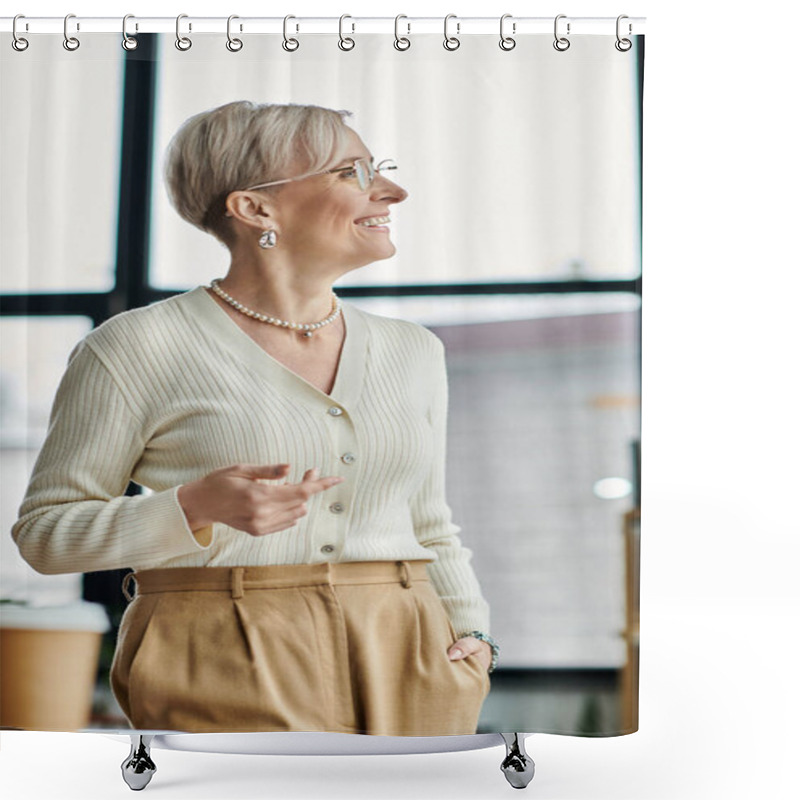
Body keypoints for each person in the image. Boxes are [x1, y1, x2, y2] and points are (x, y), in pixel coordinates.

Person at [11, 100, 498, 736]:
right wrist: (191, 508)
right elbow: (45, 535)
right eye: (352, 172)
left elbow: (429, 522)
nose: (392, 190)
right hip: (219, 649)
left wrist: (473, 636)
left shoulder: (413, 350)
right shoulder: (134, 348)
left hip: (411, 647)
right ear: (256, 209)